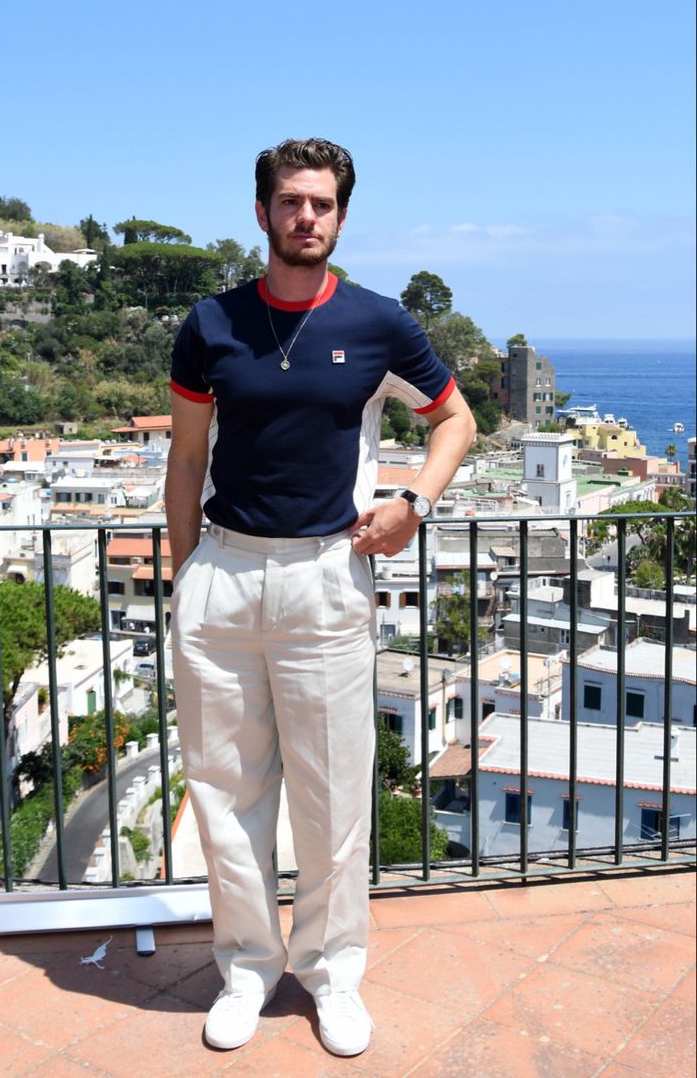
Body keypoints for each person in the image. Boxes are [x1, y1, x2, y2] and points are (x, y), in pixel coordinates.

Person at [165, 138, 476, 1057]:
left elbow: (454, 417)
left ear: (341, 217)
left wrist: (415, 502)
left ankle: (335, 976)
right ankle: (247, 971)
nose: (308, 217)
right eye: (292, 202)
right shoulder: (211, 324)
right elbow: (187, 459)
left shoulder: (380, 322)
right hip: (223, 574)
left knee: (335, 799)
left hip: (326, 582)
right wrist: (187, 578)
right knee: (225, 794)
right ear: (261, 212)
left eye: (324, 204)